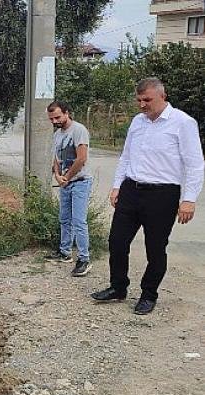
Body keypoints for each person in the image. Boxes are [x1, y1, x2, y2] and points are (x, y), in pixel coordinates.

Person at [91, 77, 204, 315]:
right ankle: (118, 287)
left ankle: (148, 294)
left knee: (155, 248)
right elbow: (126, 156)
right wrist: (117, 186)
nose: (142, 105)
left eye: (147, 100)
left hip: (163, 194)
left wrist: (189, 199)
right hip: (132, 189)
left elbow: (195, 164)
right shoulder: (137, 122)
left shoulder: (182, 123)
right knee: (117, 241)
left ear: (163, 97)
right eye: (139, 100)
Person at [44, 100, 93, 277]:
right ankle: (65, 252)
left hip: (80, 182)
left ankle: (84, 259)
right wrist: (58, 175)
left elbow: (81, 159)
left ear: (66, 113)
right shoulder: (57, 134)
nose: (55, 121)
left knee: (79, 221)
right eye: (51, 118)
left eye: (57, 117)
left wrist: (67, 177)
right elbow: (56, 158)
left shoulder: (79, 130)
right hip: (65, 182)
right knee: (64, 218)